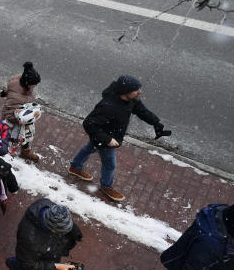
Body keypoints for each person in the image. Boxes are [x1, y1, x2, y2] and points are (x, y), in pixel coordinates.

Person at [68, 74, 170, 202]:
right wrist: (108, 140)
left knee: (89, 148)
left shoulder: (130, 100)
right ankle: (106, 186)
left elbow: (142, 111)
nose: (140, 91)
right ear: (125, 92)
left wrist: (156, 122)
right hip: (105, 140)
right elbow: (89, 123)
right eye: (136, 89)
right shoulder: (107, 106)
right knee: (110, 164)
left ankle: (75, 167)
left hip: (106, 136)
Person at [5, 198, 82, 270]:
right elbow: (31, 265)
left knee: (23, 262)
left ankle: (14, 265)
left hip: (36, 256)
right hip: (34, 265)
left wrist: (72, 229)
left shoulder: (48, 209)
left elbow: (59, 219)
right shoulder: (30, 238)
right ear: (52, 229)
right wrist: (57, 266)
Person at [0, 61, 41, 161]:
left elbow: (9, 88)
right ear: (26, 83)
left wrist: (4, 93)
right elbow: (9, 114)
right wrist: (25, 119)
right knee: (19, 135)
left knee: (26, 133)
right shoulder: (16, 98)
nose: (34, 87)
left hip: (21, 111)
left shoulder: (19, 79)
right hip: (13, 118)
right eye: (33, 85)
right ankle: (7, 152)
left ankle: (24, 151)